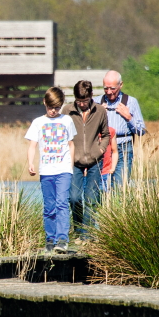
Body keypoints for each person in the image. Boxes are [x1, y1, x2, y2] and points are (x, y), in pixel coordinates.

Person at [26, 87, 76, 253]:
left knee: (62, 203)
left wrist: (70, 166)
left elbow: (71, 144)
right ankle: (50, 238)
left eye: (56, 107)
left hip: (63, 169)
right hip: (46, 170)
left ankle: (62, 239)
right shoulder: (38, 122)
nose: (53, 111)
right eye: (50, 107)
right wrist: (30, 162)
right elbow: (32, 145)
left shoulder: (67, 120)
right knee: (49, 206)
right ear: (44, 103)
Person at [61, 80, 108, 239]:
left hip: (95, 160)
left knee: (91, 198)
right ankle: (78, 230)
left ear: (91, 97)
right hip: (74, 161)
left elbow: (106, 134)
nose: (81, 104)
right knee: (74, 198)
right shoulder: (67, 110)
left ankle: (87, 235)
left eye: (85, 101)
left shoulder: (100, 111)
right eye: (79, 101)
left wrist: (100, 149)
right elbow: (62, 134)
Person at [95, 70, 146, 184]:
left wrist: (129, 117)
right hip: (102, 148)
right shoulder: (96, 102)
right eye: (106, 88)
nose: (109, 92)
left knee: (119, 186)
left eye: (113, 88)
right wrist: (98, 114)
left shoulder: (131, 102)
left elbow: (141, 130)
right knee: (99, 187)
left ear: (120, 85)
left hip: (123, 147)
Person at [101, 126, 118, 191]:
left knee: (105, 194)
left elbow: (114, 151)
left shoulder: (110, 131)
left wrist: (113, 167)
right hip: (89, 172)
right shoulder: (88, 130)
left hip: (106, 171)